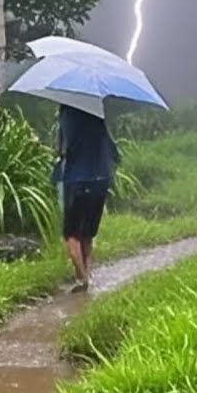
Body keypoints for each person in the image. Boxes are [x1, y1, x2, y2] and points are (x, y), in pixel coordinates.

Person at [54, 103, 121, 293]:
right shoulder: (98, 115)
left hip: (76, 179)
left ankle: (81, 277)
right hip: (101, 179)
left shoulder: (66, 114)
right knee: (87, 233)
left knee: (71, 234)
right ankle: (88, 273)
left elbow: (62, 149)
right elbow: (114, 153)